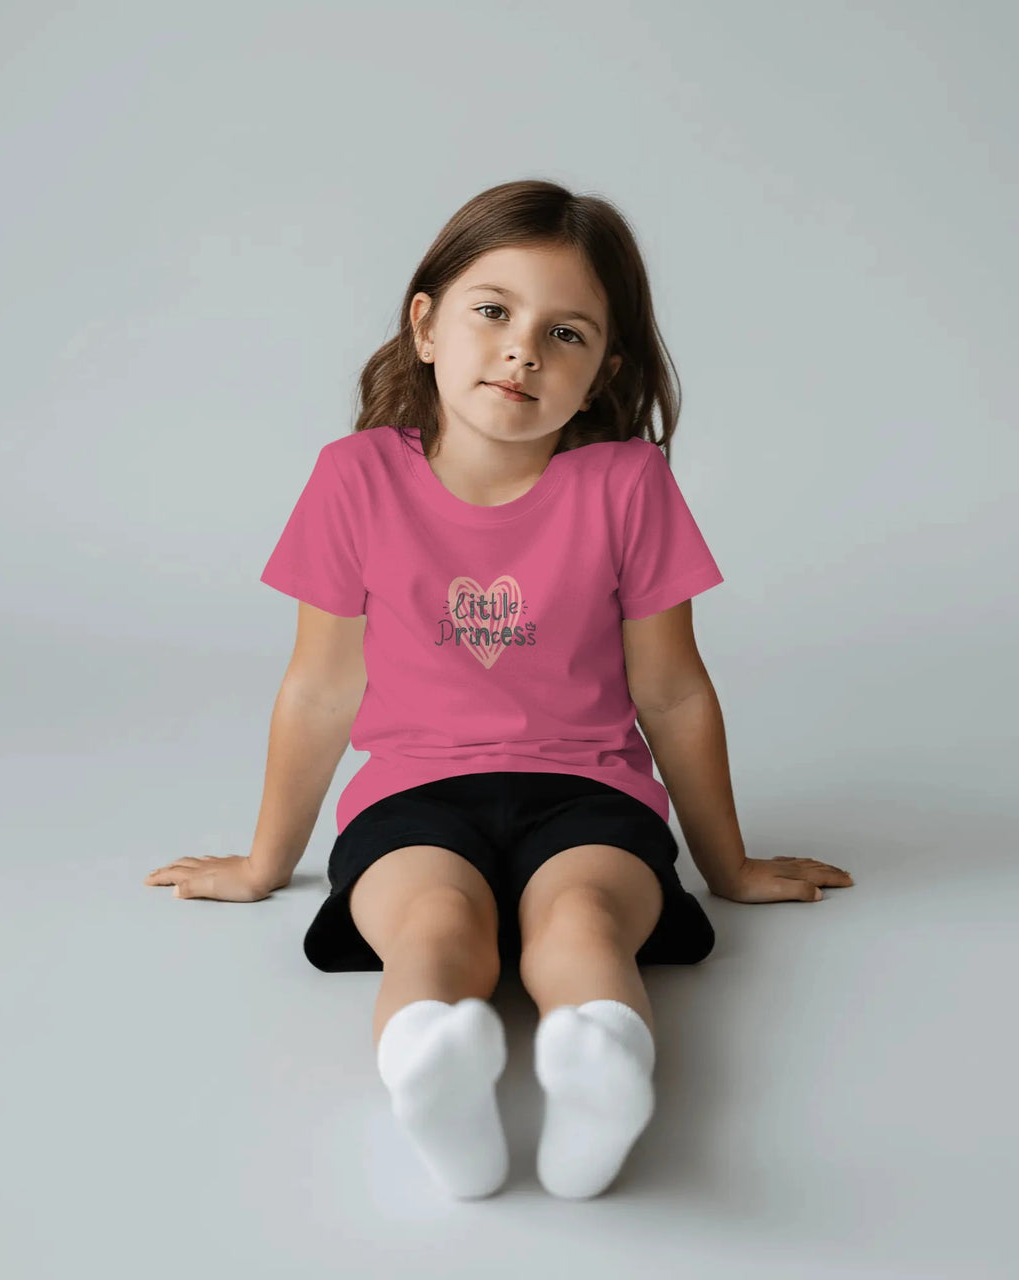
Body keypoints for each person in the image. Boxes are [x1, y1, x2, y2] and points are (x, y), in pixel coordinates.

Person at [144, 179, 854, 1202]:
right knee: (435, 919)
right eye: (493, 311)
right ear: (425, 324)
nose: (523, 348)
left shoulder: (626, 483)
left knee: (583, 924)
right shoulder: (356, 478)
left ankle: (599, 1080)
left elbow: (673, 691)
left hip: (591, 794)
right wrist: (264, 862)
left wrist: (727, 864)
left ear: (600, 370)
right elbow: (319, 686)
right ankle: (437, 1079)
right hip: (410, 797)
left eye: (564, 333)